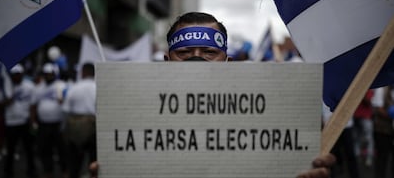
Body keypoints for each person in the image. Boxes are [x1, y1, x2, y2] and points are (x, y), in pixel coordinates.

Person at [89, 12, 336, 178]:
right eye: (185, 52)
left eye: (208, 51)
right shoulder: (133, 120)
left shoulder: (262, 121)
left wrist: (303, 169)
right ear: (167, 60)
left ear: (226, 61)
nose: (197, 57)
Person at [31, 63, 68, 178]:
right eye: (46, 74)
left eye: (50, 74)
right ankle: (48, 172)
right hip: (43, 124)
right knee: (45, 149)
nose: (48, 76)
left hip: (59, 124)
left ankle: (65, 171)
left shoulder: (61, 86)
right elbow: (33, 106)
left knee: (62, 149)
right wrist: (33, 121)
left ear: (55, 74)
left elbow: (69, 103)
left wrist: (63, 100)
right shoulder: (38, 87)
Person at [0, 64, 37, 178]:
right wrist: (8, 100)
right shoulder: (6, 86)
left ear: (22, 74)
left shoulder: (29, 86)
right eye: (14, 75)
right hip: (11, 122)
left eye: (18, 74)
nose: (16, 77)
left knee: (29, 149)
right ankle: (8, 172)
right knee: (10, 149)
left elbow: (32, 105)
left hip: (25, 121)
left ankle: (31, 171)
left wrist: (33, 122)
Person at [62, 63, 97, 178]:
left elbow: (66, 109)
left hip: (76, 127)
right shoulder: (98, 87)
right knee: (94, 163)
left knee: (75, 163)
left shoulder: (74, 88)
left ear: (83, 72)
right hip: (94, 127)